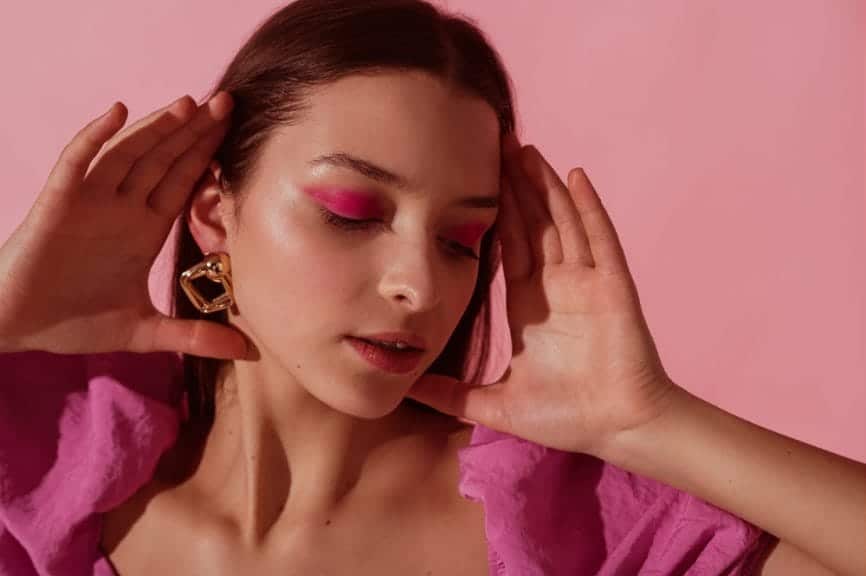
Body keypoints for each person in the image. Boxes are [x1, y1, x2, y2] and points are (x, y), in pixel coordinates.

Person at [1, 0, 863, 574]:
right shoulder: (41, 470)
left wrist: (647, 421)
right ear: (216, 217)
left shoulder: (575, 524)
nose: (420, 283)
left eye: (461, 239)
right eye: (351, 212)